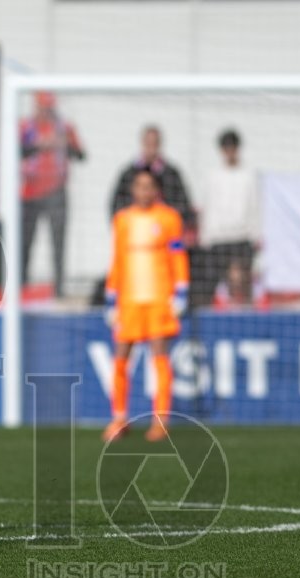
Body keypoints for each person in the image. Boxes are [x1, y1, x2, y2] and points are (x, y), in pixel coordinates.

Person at [103, 168, 189, 443]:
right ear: (133, 190)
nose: (144, 191)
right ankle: (118, 418)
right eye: (140, 186)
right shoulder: (122, 220)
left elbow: (177, 255)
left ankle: (160, 420)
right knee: (120, 357)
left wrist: (181, 291)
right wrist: (111, 296)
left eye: (149, 186)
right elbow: (117, 259)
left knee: (159, 357)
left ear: (157, 190)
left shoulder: (168, 218)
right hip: (129, 299)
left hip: (158, 298)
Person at [19, 92, 85, 296]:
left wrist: (66, 144)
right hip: (30, 192)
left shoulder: (64, 128)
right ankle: (23, 287)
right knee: (25, 242)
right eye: (42, 106)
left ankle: (59, 289)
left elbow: (81, 155)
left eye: (48, 107)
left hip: (56, 191)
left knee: (58, 243)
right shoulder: (25, 127)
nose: (45, 111)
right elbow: (16, 151)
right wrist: (38, 145)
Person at [193, 129, 261, 306]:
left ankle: (246, 313)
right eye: (226, 148)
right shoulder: (212, 176)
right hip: (218, 238)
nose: (230, 152)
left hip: (242, 236)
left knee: (242, 282)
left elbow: (255, 206)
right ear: (222, 151)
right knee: (214, 282)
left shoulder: (249, 175)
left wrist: (256, 234)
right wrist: (205, 235)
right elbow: (205, 206)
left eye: (233, 147)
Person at [110, 125, 195, 230]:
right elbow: (117, 207)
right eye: (148, 143)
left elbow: (183, 206)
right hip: (135, 231)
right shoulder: (129, 173)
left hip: (164, 232)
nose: (151, 147)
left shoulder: (172, 174)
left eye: (154, 143)